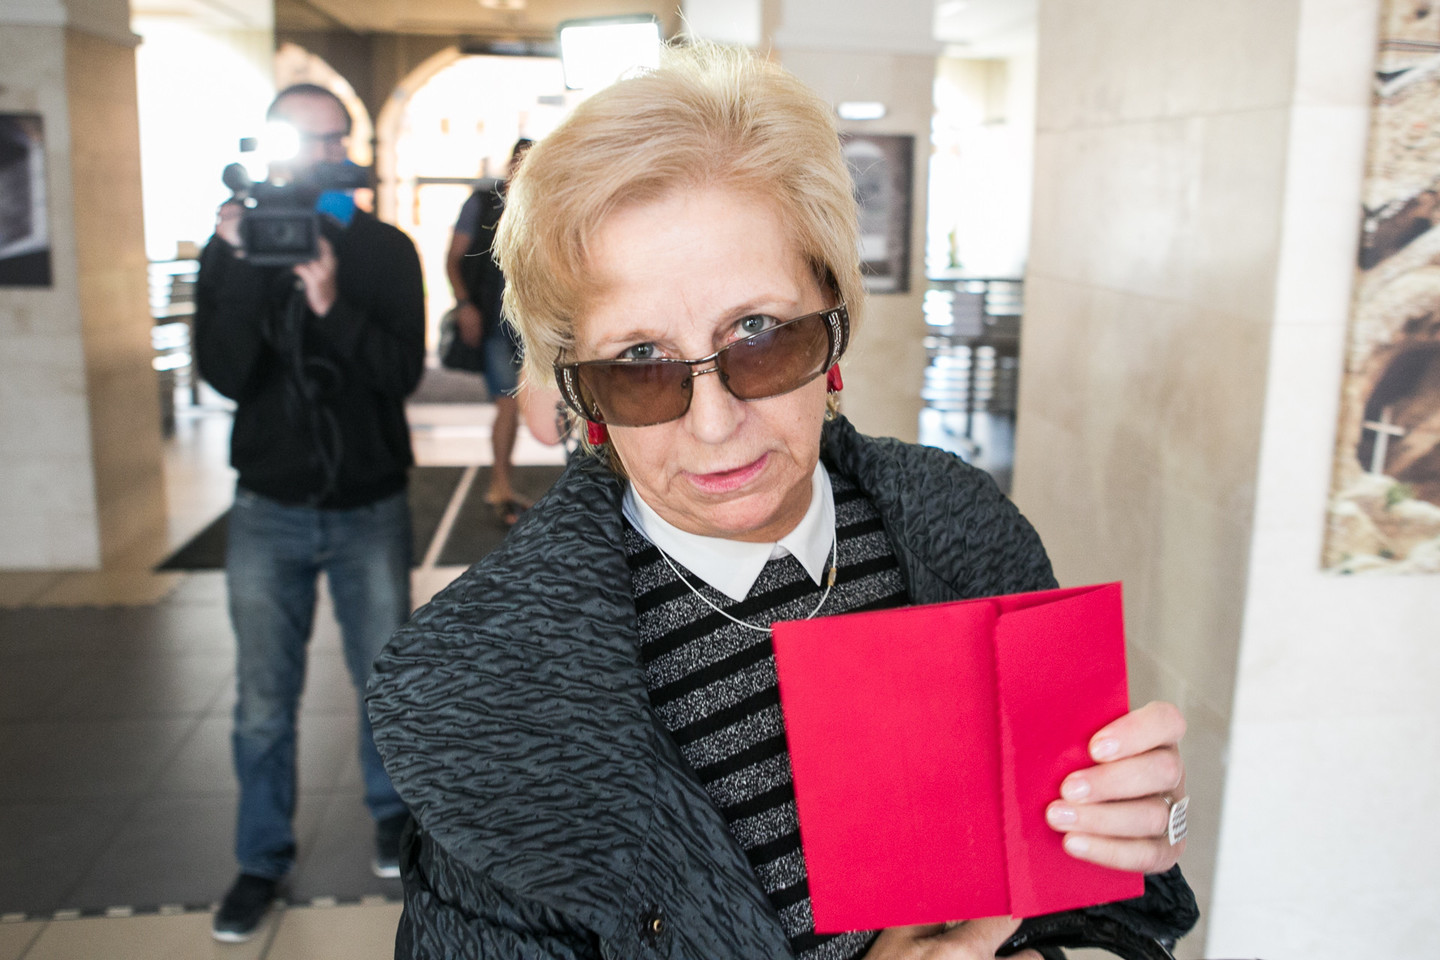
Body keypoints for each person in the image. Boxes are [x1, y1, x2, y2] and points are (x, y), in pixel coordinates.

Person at [367, 44, 1197, 960]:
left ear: (833, 320)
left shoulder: (955, 523)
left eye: (758, 333)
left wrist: (1127, 835)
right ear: (583, 393)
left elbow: (1104, 914)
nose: (715, 423)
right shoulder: (488, 687)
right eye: (639, 361)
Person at [195, 83, 424, 943]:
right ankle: (260, 857)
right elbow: (225, 373)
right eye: (303, 140)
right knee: (263, 697)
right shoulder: (233, 248)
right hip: (269, 506)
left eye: (333, 140)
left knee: (383, 680)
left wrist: (331, 303)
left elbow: (401, 372)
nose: (321, 155)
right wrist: (242, 267)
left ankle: (392, 819)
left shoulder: (385, 249)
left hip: (369, 502)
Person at [445, 138, 534, 525]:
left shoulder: (546, 204)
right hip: (498, 322)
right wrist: (465, 305)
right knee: (507, 404)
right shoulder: (482, 204)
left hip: (535, 325)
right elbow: (453, 259)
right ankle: (500, 485)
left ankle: (504, 486)